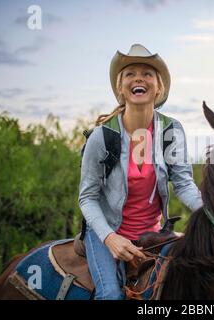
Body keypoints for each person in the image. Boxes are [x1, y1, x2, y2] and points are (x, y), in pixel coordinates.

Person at [78, 43, 203, 299]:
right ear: (120, 88)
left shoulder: (171, 131)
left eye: (147, 74)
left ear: (159, 88)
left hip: (153, 235)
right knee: (111, 295)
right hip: (107, 233)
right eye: (130, 74)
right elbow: (87, 198)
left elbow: (183, 184)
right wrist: (111, 238)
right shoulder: (103, 136)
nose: (139, 79)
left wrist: (210, 211)